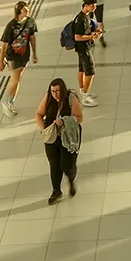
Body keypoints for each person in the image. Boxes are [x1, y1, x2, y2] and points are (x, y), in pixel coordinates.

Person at [35, 76, 84, 204]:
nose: (55, 94)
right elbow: (38, 114)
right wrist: (45, 130)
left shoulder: (71, 99)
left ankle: (71, 179)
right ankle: (56, 191)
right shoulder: (48, 98)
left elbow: (79, 118)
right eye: (53, 91)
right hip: (52, 138)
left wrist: (65, 121)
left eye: (57, 91)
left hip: (67, 137)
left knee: (65, 164)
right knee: (54, 164)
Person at [0, 1, 37, 116]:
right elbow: (4, 44)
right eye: (25, 10)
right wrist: (0, 61)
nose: (27, 12)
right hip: (13, 55)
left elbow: (32, 38)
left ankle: (10, 101)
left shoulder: (30, 23)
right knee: (15, 79)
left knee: (18, 79)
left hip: (24, 55)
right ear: (19, 12)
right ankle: (6, 101)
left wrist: (34, 53)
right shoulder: (11, 25)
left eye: (28, 10)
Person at [72, 0, 103, 104]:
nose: (95, 8)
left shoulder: (84, 16)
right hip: (83, 48)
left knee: (81, 69)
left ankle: (82, 90)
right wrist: (92, 37)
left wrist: (94, 32)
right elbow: (77, 36)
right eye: (92, 6)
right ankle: (85, 95)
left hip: (81, 48)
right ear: (86, 6)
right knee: (90, 71)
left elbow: (85, 32)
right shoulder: (81, 20)